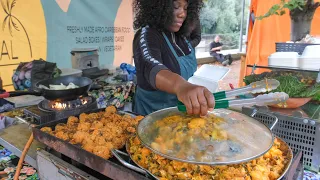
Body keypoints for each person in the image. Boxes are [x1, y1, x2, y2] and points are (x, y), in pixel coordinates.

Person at [133, 0, 215, 116]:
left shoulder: (181, 37)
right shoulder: (147, 35)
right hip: (151, 118)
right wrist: (182, 86)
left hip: (178, 116)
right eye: (176, 6)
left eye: (186, 8)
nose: (182, 14)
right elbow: (152, 67)